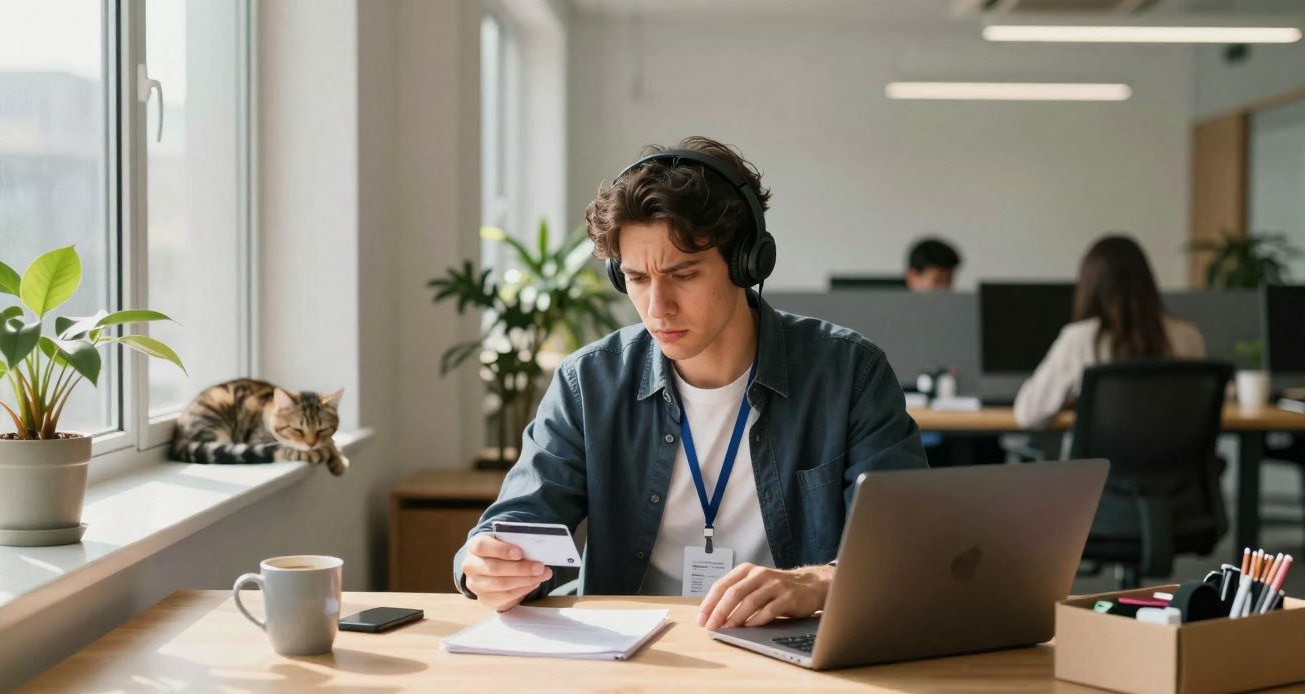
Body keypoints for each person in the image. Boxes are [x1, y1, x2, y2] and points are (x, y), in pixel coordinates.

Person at [453, 136, 926, 630]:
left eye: (683, 274)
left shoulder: (850, 374)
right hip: (632, 660)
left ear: (747, 264)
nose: (658, 308)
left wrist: (816, 583)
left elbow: (909, 550)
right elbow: (516, 525)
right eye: (637, 278)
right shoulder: (588, 384)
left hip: (790, 650)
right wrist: (490, 566)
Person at [1013, 235, 1206, 429]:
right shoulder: (1188, 336)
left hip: (1100, 460)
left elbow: (1028, 413)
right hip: (1175, 459)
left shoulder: (1080, 339)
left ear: (1090, 286)